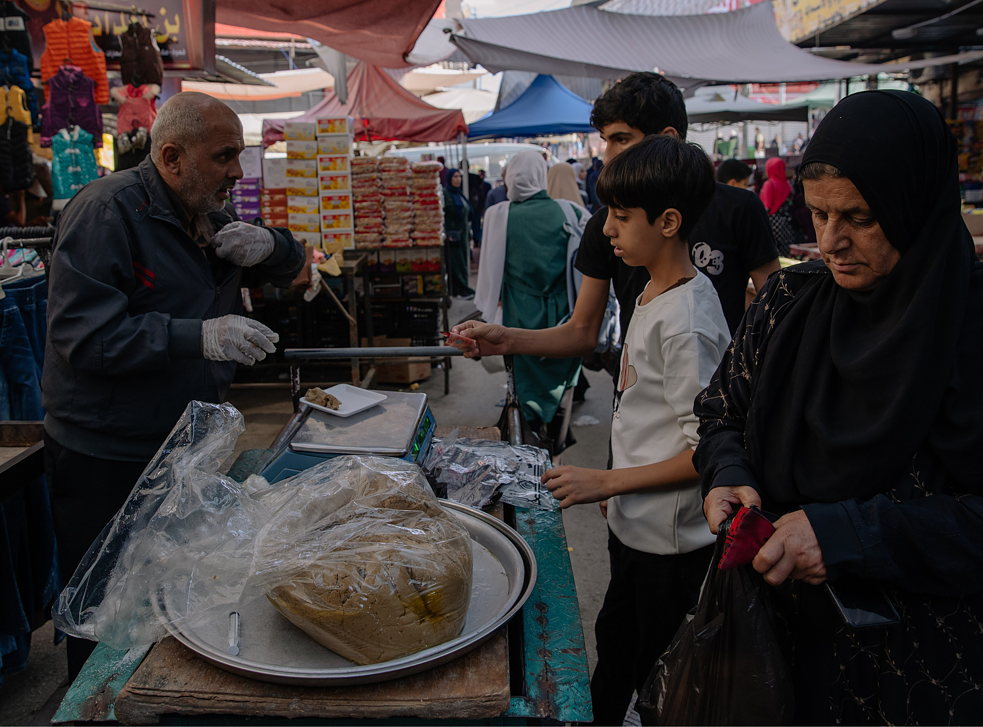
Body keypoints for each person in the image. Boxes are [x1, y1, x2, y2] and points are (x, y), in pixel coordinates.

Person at [696, 90, 983, 725]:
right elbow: (721, 413)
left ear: (915, 208)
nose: (831, 241)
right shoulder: (787, 305)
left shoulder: (969, 335)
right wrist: (727, 472)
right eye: (819, 214)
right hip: (776, 652)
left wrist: (850, 534)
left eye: (860, 218)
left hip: (920, 675)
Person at [42, 92, 305, 679]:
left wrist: (271, 245)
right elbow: (84, 337)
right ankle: (95, 708)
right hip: (108, 454)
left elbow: (294, 264)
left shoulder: (205, 213)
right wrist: (197, 336)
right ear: (171, 157)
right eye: (224, 156)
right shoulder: (105, 213)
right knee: (105, 612)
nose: (238, 172)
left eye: (239, 155)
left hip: (185, 442)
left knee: (171, 597)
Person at [540, 135, 729, 726]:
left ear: (669, 222)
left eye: (621, 217)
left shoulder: (688, 322)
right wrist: (618, 485)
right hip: (635, 525)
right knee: (616, 644)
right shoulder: (650, 287)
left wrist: (608, 482)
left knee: (658, 677)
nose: (608, 230)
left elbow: (709, 453)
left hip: (669, 547)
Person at [450, 70, 778, 358]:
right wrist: (506, 339)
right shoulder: (605, 227)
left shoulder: (739, 209)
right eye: (605, 141)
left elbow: (775, 313)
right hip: (635, 396)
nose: (607, 157)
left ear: (667, 139)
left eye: (621, 139)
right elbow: (582, 331)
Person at [475, 151, 585, 453]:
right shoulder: (571, 212)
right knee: (562, 383)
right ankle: (555, 451)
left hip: (519, 314)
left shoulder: (499, 215)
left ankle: (528, 453)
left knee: (522, 382)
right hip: (564, 315)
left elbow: (490, 273)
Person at [443, 169, 474, 300]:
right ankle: (459, 290)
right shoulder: (446, 194)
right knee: (456, 263)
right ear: (449, 178)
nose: (458, 179)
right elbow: (444, 214)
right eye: (455, 177)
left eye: (459, 177)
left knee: (462, 262)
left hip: (463, 234)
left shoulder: (459, 194)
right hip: (453, 235)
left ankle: (463, 288)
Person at [759, 156, 797, 255]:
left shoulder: (769, 184)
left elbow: (767, 207)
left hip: (772, 223)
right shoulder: (787, 184)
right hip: (786, 222)